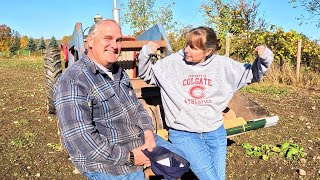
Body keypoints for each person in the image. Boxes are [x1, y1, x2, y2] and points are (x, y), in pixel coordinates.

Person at [53, 19, 186, 180]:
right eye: (107, 38)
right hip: (107, 160)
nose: (115, 45)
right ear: (90, 42)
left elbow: (137, 107)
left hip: (138, 140)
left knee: (181, 164)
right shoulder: (73, 80)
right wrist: (130, 157)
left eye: (118, 40)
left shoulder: (118, 71)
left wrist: (149, 133)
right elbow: (82, 139)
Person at [138, 26, 274, 180]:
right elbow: (147, 73)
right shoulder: (174, 62)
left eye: (193, 47)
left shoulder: (223, 65)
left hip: (214, 131)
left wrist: (264, 58)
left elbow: (252, 74)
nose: (186, 50)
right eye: (187, 44)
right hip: (184, 133)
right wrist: (146, 53)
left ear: (208, 51)